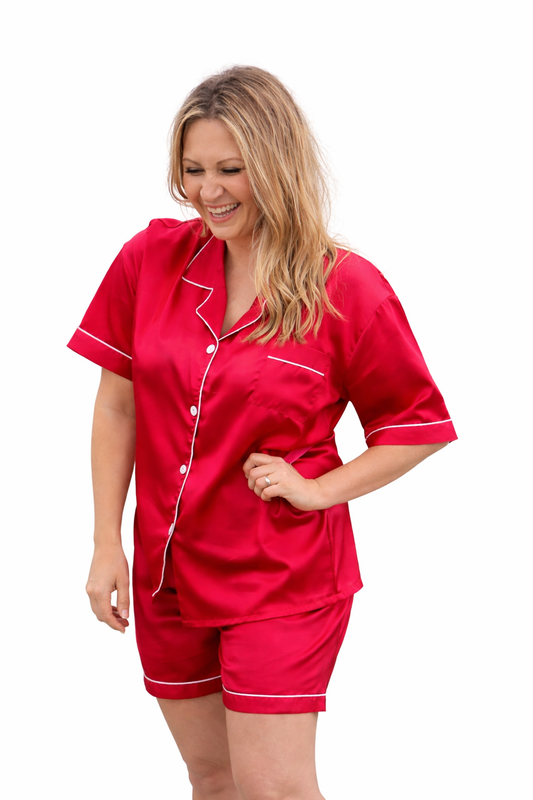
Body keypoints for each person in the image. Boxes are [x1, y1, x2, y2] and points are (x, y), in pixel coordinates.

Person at [68, 66, 457, 800]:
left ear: (274, 167)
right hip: (166, 570)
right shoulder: (148, 262)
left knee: (271, 788)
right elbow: (117, 406)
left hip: (281, 574)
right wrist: (103, 542)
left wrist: (318, 489)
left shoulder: (344, 287)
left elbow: (416, 425)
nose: (205, 192)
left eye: (229, 170)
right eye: (191, 170)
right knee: (214, 781)